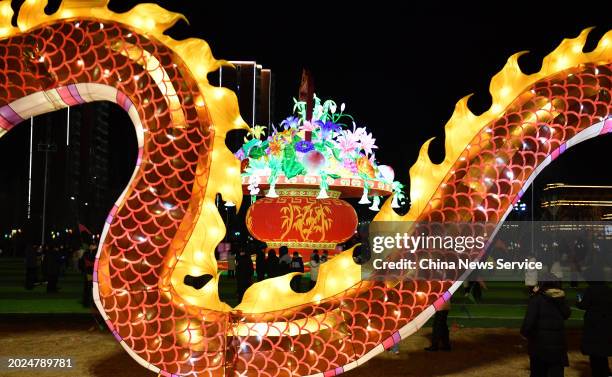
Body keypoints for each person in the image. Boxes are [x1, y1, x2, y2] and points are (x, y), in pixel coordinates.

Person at [520, 273, 571, 377]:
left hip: (539, 345)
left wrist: (524, 334)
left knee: (538, 372)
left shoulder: (537, 299)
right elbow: (567, 314)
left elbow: (529, 323)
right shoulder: (560, 298)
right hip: (558, 344)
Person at [576, 274, 612, 377]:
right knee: (603, 352)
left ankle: (599, 373)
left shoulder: (590, 290)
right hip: (606, 324)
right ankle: (606, 372)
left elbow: (583, 305)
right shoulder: (608, 290)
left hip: (593, 325)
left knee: (595, 354)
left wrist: (578, 299)